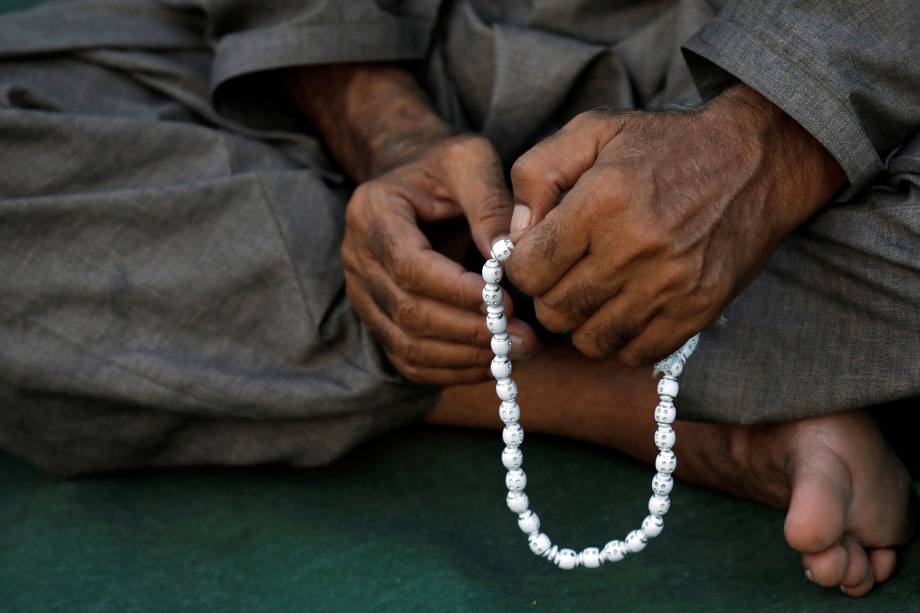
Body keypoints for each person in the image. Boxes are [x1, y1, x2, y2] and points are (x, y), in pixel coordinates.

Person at [0, 0, 916, 597]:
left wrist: (771, 141)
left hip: (822, 68)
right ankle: (656, 402)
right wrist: (384, 129)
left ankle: (541, 343)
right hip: (425, 41)